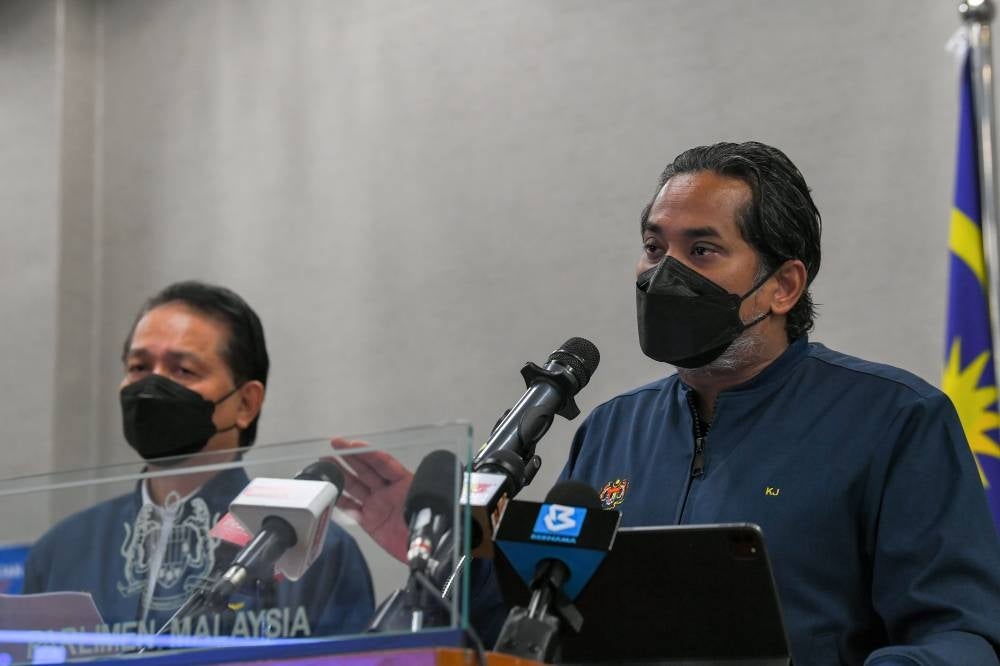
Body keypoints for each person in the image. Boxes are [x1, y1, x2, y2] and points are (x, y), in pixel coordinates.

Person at [333, 142, 1000, 665]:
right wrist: (444, 555)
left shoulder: (894, 421)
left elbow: (959, 636)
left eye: (701, 250)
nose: (661, 273)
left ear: (784, 286)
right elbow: (536, 621)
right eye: (655, 247)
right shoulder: (611, 430)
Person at [24, 281, 374, 642]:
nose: (151, 387)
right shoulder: (62, 552)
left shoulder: (309, 551)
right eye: (139, 366)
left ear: (245, 404)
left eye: (183, 371)